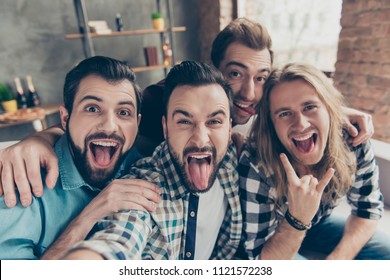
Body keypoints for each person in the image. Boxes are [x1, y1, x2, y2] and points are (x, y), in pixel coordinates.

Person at [0, 18, 373, 207]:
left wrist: (337, 111)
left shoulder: (262, 100)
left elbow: (301, 99)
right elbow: (100, 121)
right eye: (235, 74)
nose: (249, 92)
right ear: (214, 70)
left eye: (261, 77)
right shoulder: (157, 99)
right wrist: (42, 137)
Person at [62, 61, 241, 260]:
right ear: (165, 128)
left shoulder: (233, 158)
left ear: (229, 128)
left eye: (214, 121)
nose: (200, 139)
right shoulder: (143, 184)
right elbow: (119, 241)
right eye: (184, 121)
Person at [0, 56, 160, 259]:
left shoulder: (147, 167)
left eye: (123, 112)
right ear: (65, 119)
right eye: (92, 109)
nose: (109, 126)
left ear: (137, 124)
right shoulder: (22, 188)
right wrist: (88, 217)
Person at [239, 62, 390, 260]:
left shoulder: (353, 140)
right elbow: (261, 262)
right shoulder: (255, 163)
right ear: (272, 124)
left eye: (310, 107)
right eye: (284, 113)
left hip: (317, 225)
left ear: (329, 109)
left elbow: (367, 209)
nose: (300, 124)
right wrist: (297, 218)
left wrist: (337, 261)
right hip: (274, 235)